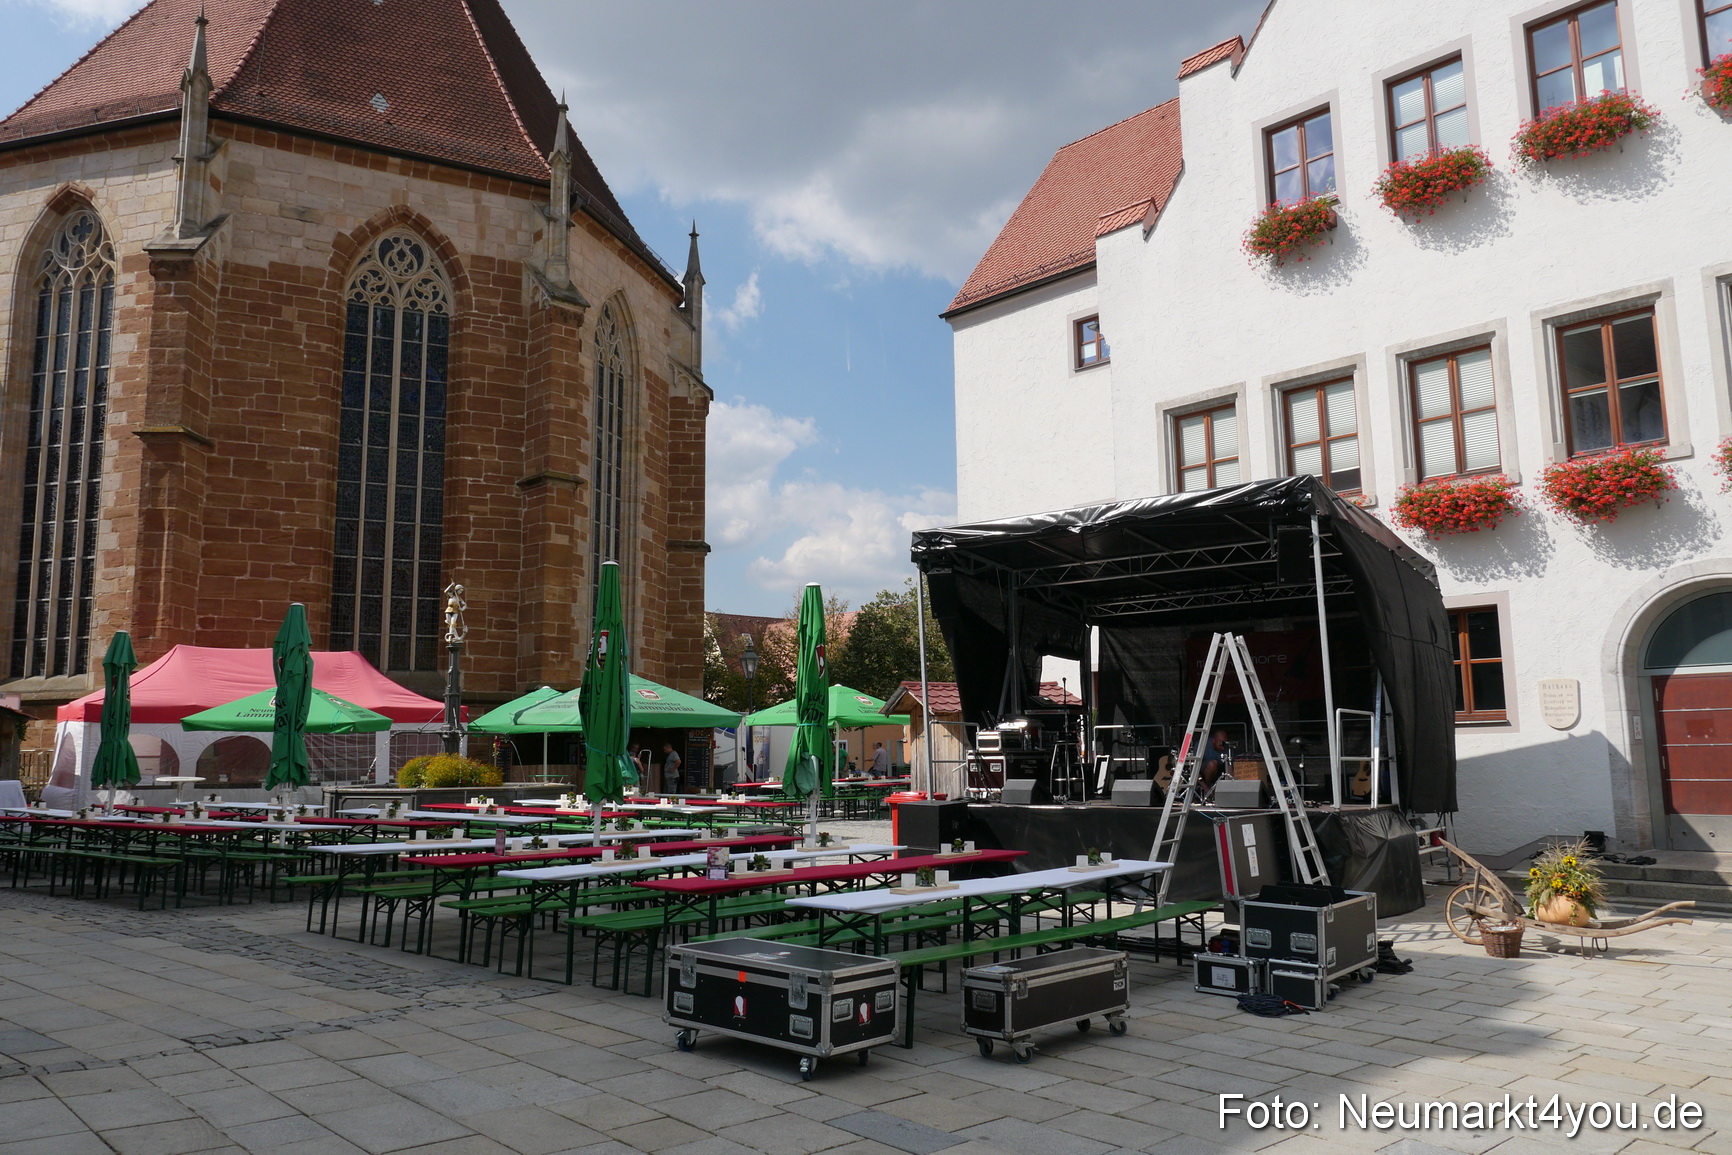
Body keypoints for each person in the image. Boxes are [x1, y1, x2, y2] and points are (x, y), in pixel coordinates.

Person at [1199, 729, 1233, 795]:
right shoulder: (1202, 745)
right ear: (1213, 741)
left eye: (1224, 744)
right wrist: (1206, 788)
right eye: (1221, 744)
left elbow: (1230, 769)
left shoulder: (1227, 748)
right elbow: (1193, 769)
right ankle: (1208, 787)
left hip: (1219, 772)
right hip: (1202, 773)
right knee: (1213, 764)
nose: (1223, 748)